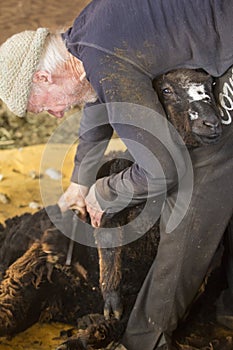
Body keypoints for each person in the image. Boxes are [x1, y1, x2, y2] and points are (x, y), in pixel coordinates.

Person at [1, 1, 233, 349]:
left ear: (42, 77)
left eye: (42, 106)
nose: (53, 114)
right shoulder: (86, 36)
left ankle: (144, 340)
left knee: (196, 182)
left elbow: (162, 168)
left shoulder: (103, 58)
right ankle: (226, 305)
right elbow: (102, 100)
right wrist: (80, 182)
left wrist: (106, 192)